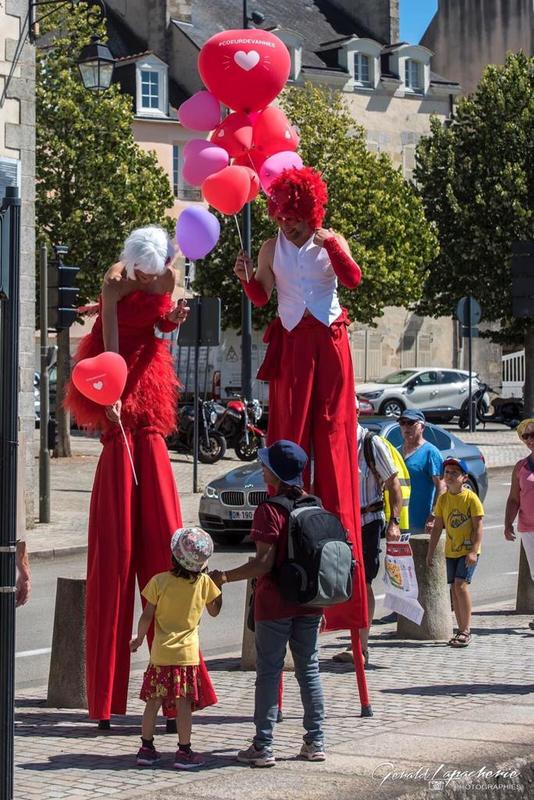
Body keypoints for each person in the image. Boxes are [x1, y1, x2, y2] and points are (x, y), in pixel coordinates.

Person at [65, 226, 217, 727]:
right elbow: (109, 346)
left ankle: (178, 695)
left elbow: (159, 329)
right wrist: (109, 401)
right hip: (116, 378)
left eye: (157, 274)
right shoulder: (114, 281)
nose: (151, 279)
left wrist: (170, 319)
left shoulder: (168, 277)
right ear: (131, 265)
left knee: (163, 544)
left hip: (150, 385)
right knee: (114, 554)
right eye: (143, 274)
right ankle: (106, 699)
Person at [233, 166, 367, 638]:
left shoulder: (331, 239)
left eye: (296, 216)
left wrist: (332, 245)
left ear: (311, 210)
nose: (288, 223)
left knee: (331, 439)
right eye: (282, 215)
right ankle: (285, 547)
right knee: (287, 436)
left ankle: (344, 597)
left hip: (328, 343)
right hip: (292, 343)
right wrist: (247, 279)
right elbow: (263, 295)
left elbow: (352, 280)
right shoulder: (272, 246)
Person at [210, 441, 326, 768]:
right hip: (310, 602)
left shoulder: (269, 510)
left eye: (265, 465)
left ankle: (263, 745)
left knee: (269, 673)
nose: (262, 470)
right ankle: (315, 741)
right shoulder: (315, 505)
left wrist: (223, 577)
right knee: (310, 670)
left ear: (275, 472)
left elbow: (262, 563)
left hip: (275, 605)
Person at [130, 527, 221, 769]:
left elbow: (147, 615)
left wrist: (139, 639)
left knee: (153, 701)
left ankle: (146, 748)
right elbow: (214, 611)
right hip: (187, 655)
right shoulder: (204, 583)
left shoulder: (159, 581)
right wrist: (215, 581)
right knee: (183, 705)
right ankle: (184, 752)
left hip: (161, 653)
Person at [333, 423, 404, 665]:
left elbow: (394, 484)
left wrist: (394, 522)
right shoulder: (336, 439)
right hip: (344, 522)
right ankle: (353, 638)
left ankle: (361, 645)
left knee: (364, 582)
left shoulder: (370, 443)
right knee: (347, 581)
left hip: (368, 521)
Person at [426, 457, 484, 648]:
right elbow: (437, 528)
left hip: (468, 550)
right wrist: (430, 551)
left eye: (454, 473)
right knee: (454, 589)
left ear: (464, 478)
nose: (449, 476)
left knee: (461, 586)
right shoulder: (443, 499)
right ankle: (460, 629)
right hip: (451, 550)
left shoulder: (470, 498)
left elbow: (478, 527)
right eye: (447, 472)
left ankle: (466, 630)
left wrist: (474, 551)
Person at [504, 418, 534, 630]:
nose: (530, 440)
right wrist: (508, 523)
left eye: (533, 435)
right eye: (526, 436)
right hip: (528, 526)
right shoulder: (521, 467)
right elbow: (514, 498)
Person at [398, 409, 445, 535]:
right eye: (402, 423)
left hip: (421, 525)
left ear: (422, 427)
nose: (406, 427)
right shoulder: (396, 452)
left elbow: (441, 487)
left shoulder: (430, 452)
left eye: (411, 423)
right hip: (398, 522)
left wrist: (434, 515)